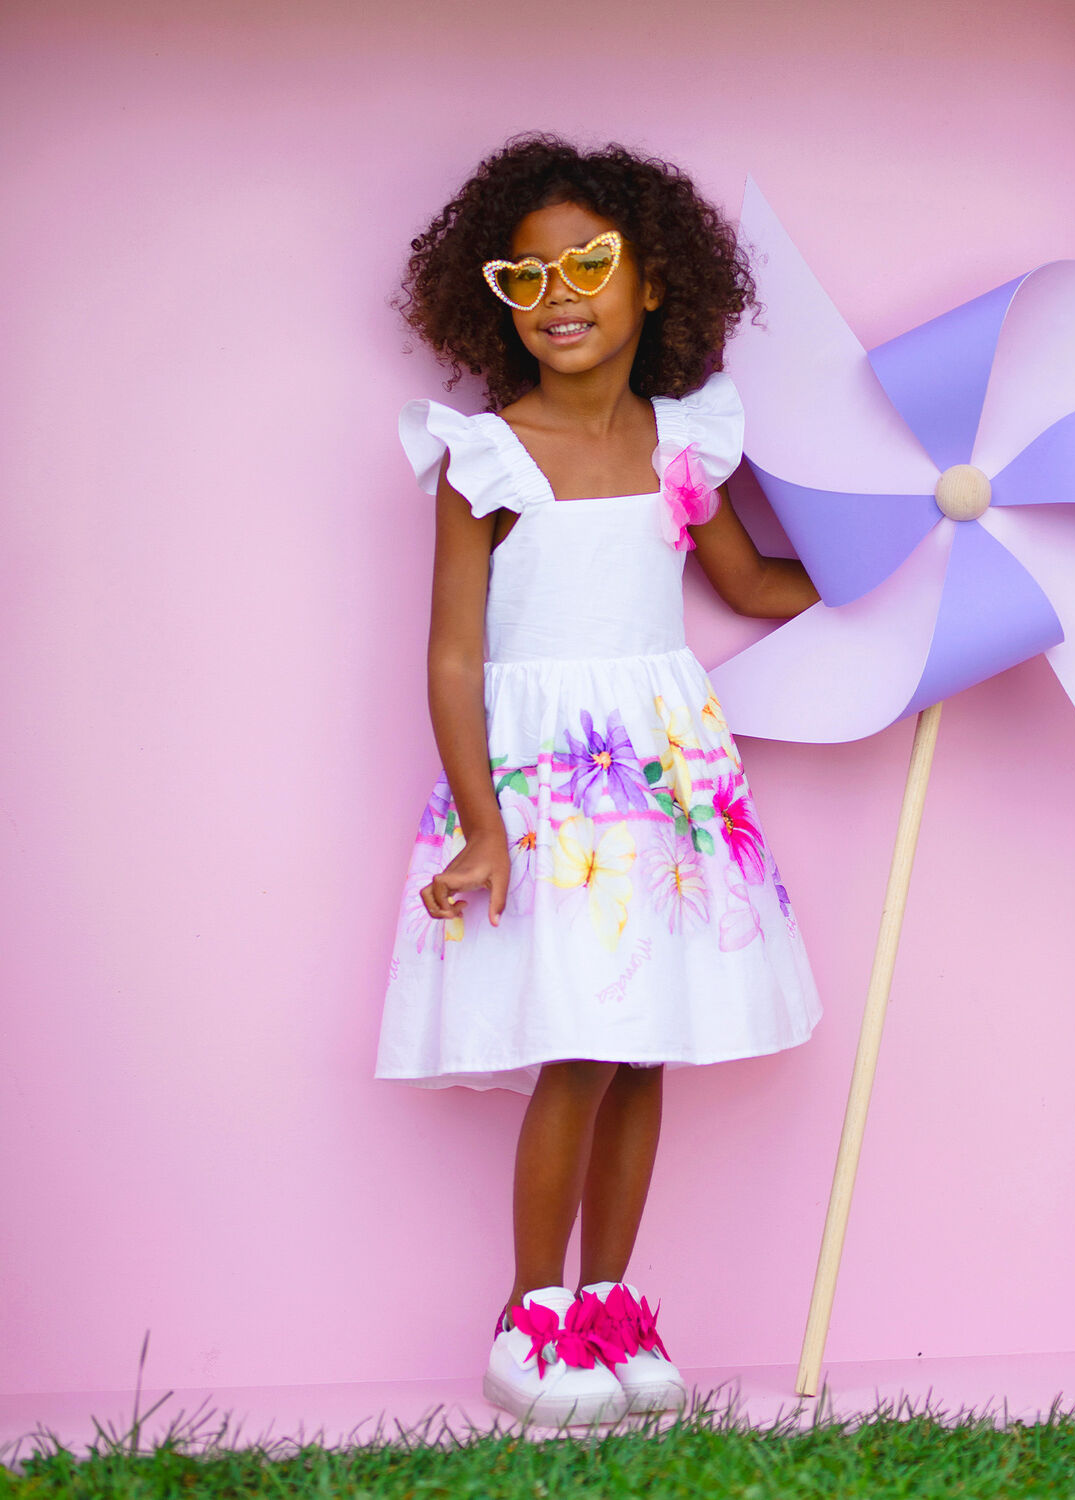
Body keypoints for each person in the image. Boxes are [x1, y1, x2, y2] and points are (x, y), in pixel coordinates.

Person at [375, 134, 823, 1428]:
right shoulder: (485, 460)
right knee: (575, 1046)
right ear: (495, 298)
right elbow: (455, 653)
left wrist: (904, 581)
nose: (559, 292)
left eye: (590, 262)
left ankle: (612, 1301)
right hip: (543, 792)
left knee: (643, 1054)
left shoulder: (683, 445)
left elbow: (746, 587)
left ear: (656, 281)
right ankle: (532, 1317)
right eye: (526, 275)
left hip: (667, 779)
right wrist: (477, 825)